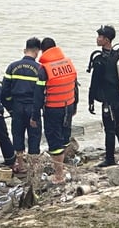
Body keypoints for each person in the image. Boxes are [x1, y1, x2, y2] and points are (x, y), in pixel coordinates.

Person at [32, 37, 78, 184]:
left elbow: (38, 95)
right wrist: (74, 106)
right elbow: (75, 86)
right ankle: (63, 169)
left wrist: (35, 116)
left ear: (43, 51)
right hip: (68, 106)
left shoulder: (44, 69)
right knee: (64, 138)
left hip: (53, 109)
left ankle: (59, 175)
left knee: (54, 142)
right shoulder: (68, 64)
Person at [88, 25, 119, 167]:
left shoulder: (100, 60)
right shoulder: (118, 56)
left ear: (106, 40)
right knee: (118, 128)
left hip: (108, 100)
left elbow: (94, 82)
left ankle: (110, 159)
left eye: (99, 37)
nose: (97, 39)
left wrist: (90, 101)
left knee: (109, 130)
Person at [1, 37, 43, 173]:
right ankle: (33, 166)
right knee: (34, 136)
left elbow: (4, 92)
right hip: (33, 107)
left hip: (17, 106)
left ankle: (20, 165)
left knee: (17, 134)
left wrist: (11, 108)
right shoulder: (40, 69)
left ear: (25, 50)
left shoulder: (12, 67)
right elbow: (42, 92)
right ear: (37, 52)